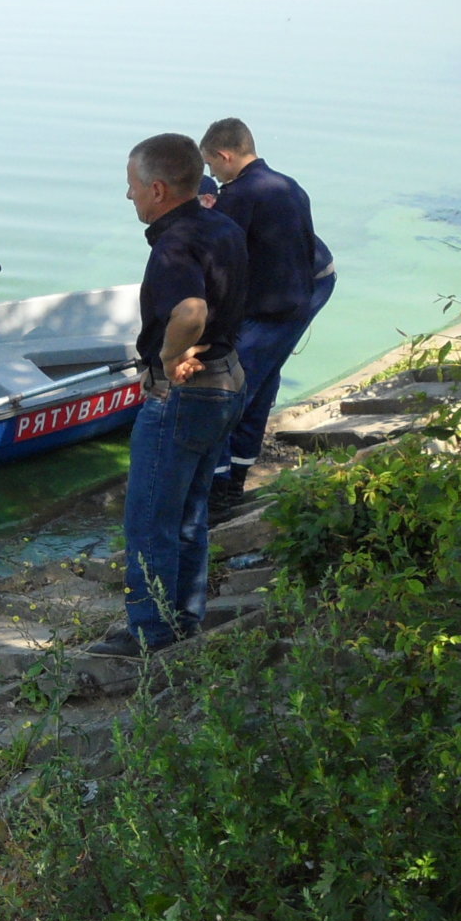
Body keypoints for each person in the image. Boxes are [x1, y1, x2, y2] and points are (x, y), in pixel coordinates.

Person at [91, 132, 249, 657]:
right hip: (229, 380)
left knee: (150, 517)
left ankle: (149, 631)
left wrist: (165, 358)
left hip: (186, 393)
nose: (129, 196)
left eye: (133, 186)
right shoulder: (222, 226)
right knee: (188, 511)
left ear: (157, 188)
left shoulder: (173, 245)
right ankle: (184, 616)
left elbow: (190, 312)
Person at [200, 118, 336, 513]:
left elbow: (222, 267)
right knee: (259, 387)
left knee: (228, 394)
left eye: (212, 166)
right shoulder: (288, 185)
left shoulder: (239, 198)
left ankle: (218, 492)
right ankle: (235, 480)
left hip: (277, 309)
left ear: (225, 156)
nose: (214, 175)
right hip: (307, 293)